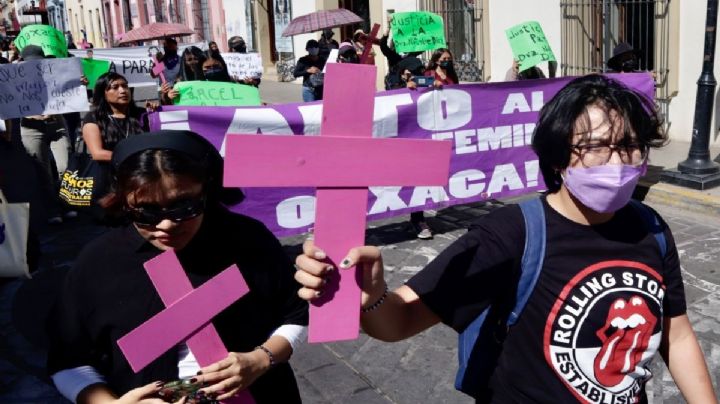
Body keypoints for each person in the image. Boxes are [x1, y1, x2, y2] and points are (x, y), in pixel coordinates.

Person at [293, 75, 717, 402]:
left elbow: (676, 333)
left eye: (629, 146)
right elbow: (399, 320)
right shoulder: (510, 233)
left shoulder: (651, 227)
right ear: (557, 156)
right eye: (594, 146)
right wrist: (370, 298)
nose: (616, 160)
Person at [47, 130, 308, 403]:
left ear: (206, 191)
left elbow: (296, 313)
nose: (166, 225)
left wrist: (261, 359)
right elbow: (66, 360)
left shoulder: (248, 240)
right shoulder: (98, 263)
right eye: (145, 212)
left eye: (183, 207)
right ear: (123, 201)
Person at [18, 45, 73, 224]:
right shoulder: (14, 78)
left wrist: (79, 83)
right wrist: (28, 114)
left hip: (56, 124)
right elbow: (10, 103)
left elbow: (70, 93)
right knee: (42, 171)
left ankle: (68, 204)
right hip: (30, 127)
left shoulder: (55, 73)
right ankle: (53, 210)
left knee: (65, 165)